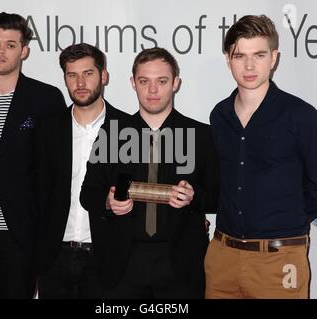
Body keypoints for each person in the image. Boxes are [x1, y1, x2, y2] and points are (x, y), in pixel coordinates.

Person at [205, 15, 317, 299]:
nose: (250, 66)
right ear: (227, 59)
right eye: (240, 55)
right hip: (222, 258)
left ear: (274, 58)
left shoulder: (302, 117)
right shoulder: (219, 116)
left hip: (279, 261)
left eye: (259, 55)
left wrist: (285, 217)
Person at [80, 47, 220, 298]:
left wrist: (194, 197)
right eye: (144, 81)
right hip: (122, 265)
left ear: (176, 83)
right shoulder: (110, 133)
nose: (152, 90)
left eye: (162, 81)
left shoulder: (202, 135)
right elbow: (88, 194)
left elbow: (218, 196)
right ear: (133, 83)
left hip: (181, 266)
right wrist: (108, 202)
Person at [0, 12, 66, 298]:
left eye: (10, 44)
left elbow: (53, 171)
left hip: (23, 231)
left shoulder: (46, 98)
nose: (0, 51)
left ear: (24, 51)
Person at [35, 43, 129, 299]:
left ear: (104, 75)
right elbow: (37, 194)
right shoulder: (47, 130)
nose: (80, 82)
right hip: (54, 257)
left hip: (106, 258)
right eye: (72, 75)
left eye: (88, 73)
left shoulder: (128, 130)